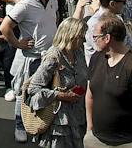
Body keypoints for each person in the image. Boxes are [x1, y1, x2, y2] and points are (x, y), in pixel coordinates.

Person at [85, 14, 132, 148]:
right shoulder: (96, 59)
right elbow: (90, 95)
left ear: (107, 38)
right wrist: (89, 129)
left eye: (95, 37)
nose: (93, 41)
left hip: (126, 142)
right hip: (95, 140)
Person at [21, 16, 87, 148]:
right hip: (57, 122)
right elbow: (33, 89)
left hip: (78, 117)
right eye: (81, 36)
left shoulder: (79, 53)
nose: (84, 39)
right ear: (71, 36)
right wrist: (59, 95)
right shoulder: (53, 57)